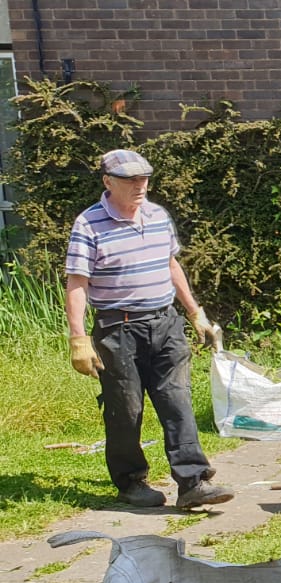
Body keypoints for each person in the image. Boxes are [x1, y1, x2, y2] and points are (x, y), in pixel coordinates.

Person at [65, 149, 234, 510]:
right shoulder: (88, 224)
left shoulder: (158, 216)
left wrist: (195, 312)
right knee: (125, 409)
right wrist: (78, 338)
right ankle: (131, 482)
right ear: (107, 181)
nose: (139, 186)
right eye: (129, 180)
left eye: (143, 178)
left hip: (165, 323)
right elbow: (77, 282)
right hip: (117, 329)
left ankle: (193, 482)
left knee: (177, 401)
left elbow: (170, 263)